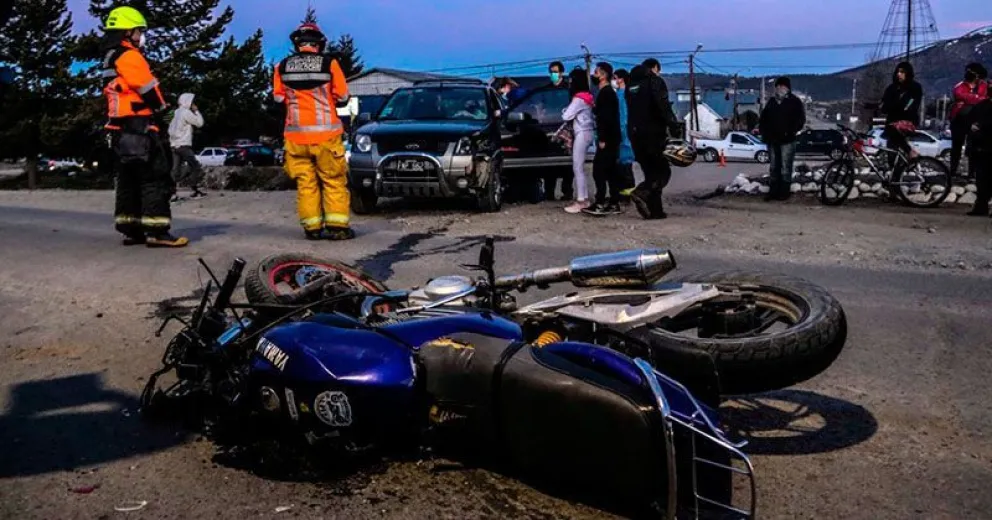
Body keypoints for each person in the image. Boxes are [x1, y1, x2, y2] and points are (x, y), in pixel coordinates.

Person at [99, 6, 187, 247]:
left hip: (118, 129)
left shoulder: (110, 56)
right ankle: (157, 231)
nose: (141, 36)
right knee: (155, 177)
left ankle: (131, 228)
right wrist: (164, 111)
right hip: (139, 127)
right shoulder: (129, 56)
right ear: (127, 32)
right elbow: (147, 88)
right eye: (139, 31)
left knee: (128, 179)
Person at [273, 22, 354, 241]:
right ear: (319, 43)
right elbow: (343, 97)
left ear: (297, 44)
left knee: (305, 184)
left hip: (295, 138)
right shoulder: (329, 64)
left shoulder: (282, 66)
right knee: (333, 181)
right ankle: (337, 227)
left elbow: (278, 98)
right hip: (326, 136)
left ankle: (312, 228)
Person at [625, 60, 680, 219]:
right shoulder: (655, 82)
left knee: (650, 172)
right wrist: (674, 126)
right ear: (655, 68)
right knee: (663, 172)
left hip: (635, 135)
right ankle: (642, 192)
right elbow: (663, 106)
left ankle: (655, 210)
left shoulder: (631, 85)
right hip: (653, 134)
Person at [758, 77, 806, 201]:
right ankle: (773, 191)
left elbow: (800, 120)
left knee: (785, 166)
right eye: (777, 86)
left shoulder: (794, 101)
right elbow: (763, 119)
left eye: (782, 86)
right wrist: (764, 132)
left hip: (787, 140)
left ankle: (784, 192)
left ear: (787, 88)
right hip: (772, 140)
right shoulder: (771, 102)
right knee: (774, 166)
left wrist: (790, 132)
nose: (779, 88)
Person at [584, 62, 622, 216]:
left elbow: (606, 118)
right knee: (611, 171)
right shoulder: (605, 92)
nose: (594, 75)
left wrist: (603, 138)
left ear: (603, 75)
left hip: (608, 138)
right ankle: (613, 202)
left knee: (599, 170)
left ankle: (600, 202)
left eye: (596, 72)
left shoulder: (607, 93)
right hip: (612, 137)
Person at [561, 67, 595, 214]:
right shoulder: (588, 97)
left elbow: (566, 116)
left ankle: (581, 200)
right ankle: (584, 198)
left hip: (581, 133)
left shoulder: (578, 99)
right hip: (588, 131)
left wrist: (565, 110)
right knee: (580, 167)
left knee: (577, 167)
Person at [879, 61, 924, 168]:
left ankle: (910, 152)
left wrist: (897, 106)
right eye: (898, 72)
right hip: (892, 122)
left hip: (908, 121)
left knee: (895, 133)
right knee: (892, 154)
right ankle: (896, 172)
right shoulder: (891, 88)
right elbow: (884, 106)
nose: (899, 74)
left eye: (902, 72)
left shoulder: (915, 87)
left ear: (908, 73)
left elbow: (910, 104)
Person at [949, 63, 989, 178]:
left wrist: (969, 99)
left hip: (976, 121)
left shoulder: (984, 86)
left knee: (974, 147)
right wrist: (976, 98)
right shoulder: (960, 85)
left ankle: (972, 173)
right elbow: (959, 95)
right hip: (959, 120)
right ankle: (952, 172)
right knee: (956, 146)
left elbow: (985, 99)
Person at [168, 92, 207, 201]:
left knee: (175, 169)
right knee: (195, 166)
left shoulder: (175, 112)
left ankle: (172, 193)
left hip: (174, 145)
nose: (192, 104)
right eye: (191, 101)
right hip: (184, 145)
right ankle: (195, 190)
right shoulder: (186, 112)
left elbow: (170, 129)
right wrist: (196, 111)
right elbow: (200, 123)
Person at [545, 61, 573, 201]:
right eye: (551, 72)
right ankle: (549, 192)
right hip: (549, 127)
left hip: (566, 128)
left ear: (561, 73)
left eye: (555, 72)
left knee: (567, 163)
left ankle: (567, 191)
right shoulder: (546, 90)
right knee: (549, 163)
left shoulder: (568, 89)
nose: (553, 74)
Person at [612, 68, 636, 203]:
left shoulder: (623, 95)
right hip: (623, 133)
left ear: (621, 79)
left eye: (615, 78)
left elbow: (623, 116)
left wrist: (622, 131)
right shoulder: (624, 94)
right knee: (623, 167)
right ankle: (625, 194)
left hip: (623, 134)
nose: (614, 80)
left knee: (625, 166)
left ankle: (626, 195)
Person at [966, 97, 992, 216]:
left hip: (984, 144)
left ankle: (981, 206)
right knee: (981, 179)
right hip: (981, 147)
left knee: (984, 178)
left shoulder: (982, 106)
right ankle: (981, 206)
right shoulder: (981, 105)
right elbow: (969, 120)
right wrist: (972, 126)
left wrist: (980, 126)